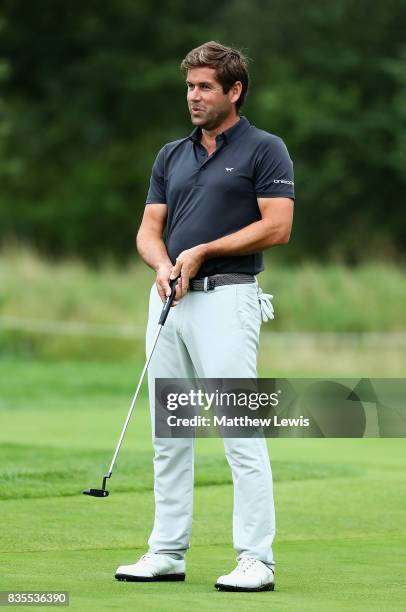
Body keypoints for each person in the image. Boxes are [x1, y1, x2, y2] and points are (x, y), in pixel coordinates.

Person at [115, 41, 294, 592]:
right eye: (189, 86)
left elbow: (277, 226)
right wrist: (165, 262)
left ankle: (256, 559)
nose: (193, 96)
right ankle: (167, 550)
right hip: (171, 300)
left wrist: (202, 252)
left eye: (205, 87)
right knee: (170, 433)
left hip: (229, 298)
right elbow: (149, 228)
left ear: (234, 91)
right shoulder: (172, 153)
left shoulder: (266, 149)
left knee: (240, 430)